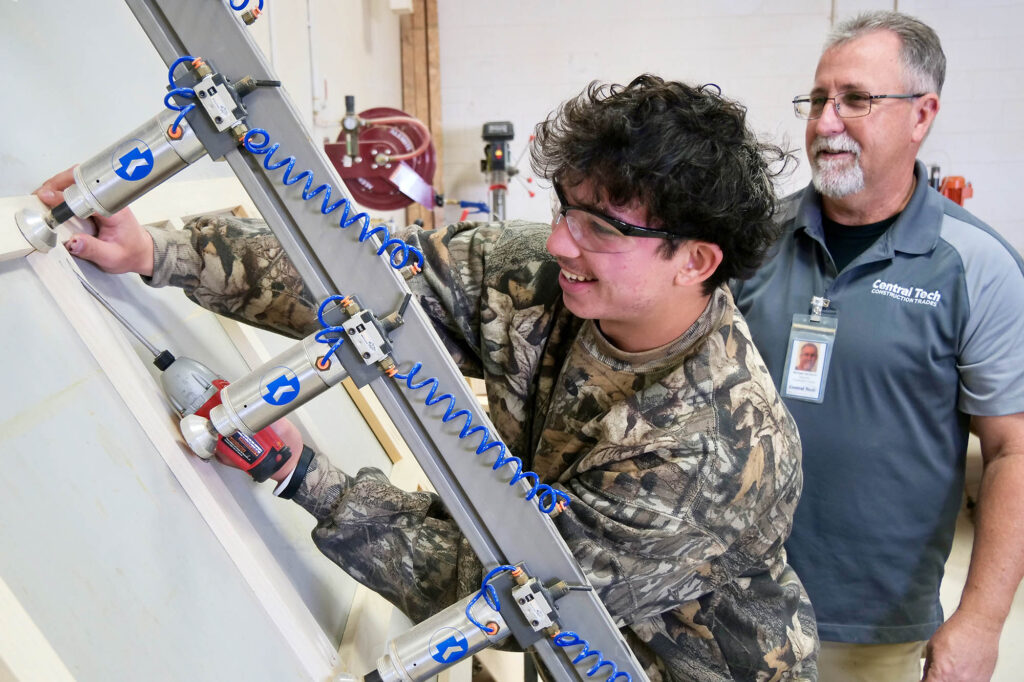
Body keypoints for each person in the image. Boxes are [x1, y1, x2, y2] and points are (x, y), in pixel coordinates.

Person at [37, 75, 819, 681]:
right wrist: (160, 251)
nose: (558, 243)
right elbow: (366, 288)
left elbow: (506, 600)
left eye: (599, 228)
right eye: (564, 209)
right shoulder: (546, 282)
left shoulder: (712, 448)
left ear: (696, 261)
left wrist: (304, 477)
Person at [731, 11, 1024, 682]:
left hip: (873, 629)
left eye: (855, 100)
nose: (826, 122)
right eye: (818, 100)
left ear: (922, 115)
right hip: (734, 606)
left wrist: (981, 620)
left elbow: (1013, 450)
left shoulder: (974, 265)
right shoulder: (756, 243)